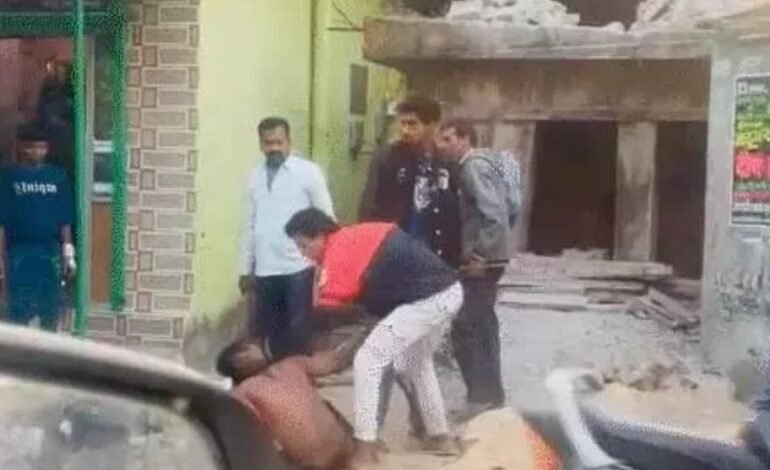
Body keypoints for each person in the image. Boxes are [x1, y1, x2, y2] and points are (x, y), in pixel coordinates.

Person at [285, 208, 464, 468]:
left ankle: (365, 449)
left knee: (367, 360)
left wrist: (333, 356)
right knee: (415, 364)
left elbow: (329, 309)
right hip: (447, 291)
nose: (303, 253)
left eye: (303, 245)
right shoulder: (351, 238)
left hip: (427, 300)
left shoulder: (338, 251)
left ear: (320, 236)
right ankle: (439, 436)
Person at [435, 119, 517, 419]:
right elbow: (511, 208)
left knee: (465, 327)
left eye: (448, 139)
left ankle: (481, 398)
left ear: (465, 139)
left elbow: (494, 215)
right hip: (493, 258)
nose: (441, 146)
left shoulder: (473, 167)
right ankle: (492, 395)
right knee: (483, 324)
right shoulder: (490, 164)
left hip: (482, 261)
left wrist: (480, 254)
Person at [239, 117, 335, 360]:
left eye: (278, 142)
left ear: (289, 141)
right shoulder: (254, 176)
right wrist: (245, 269)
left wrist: (325, 266)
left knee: (298, 335)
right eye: (268, 143)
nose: (274, 148)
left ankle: (299, 378)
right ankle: (273, 379)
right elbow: (250, 224)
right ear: (260, 144)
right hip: (265, 268)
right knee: (268, 335)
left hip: (299, 267)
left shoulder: (308, 172)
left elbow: (327, 220)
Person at [217, 334, 364, 470]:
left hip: (338, 451)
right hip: (322, 459)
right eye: (246, 349)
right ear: (237, 365)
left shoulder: (290, 365)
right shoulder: (244, 392)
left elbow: (333, 361)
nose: (256, 347)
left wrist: (360, 338)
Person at [358, 94, 461, 267]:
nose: (405, 130)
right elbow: (369, 206)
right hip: (398, 253)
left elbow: (458, 212)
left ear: (432, 126)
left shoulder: (446, 162)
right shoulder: (388, 158)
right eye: (402, 123)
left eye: (412, 124)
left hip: (438, 256)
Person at [0, 125, 75, 331]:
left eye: (42, 147)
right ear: (22, 147)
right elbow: (2, 222)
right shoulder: (9, 177)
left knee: (50, 308)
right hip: (18, 252)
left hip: (49, 251)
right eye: (32, 147)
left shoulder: (57, 177)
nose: (37, 152)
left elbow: (65, 219)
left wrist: (68, 253)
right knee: (19, 311)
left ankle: (47, 347)